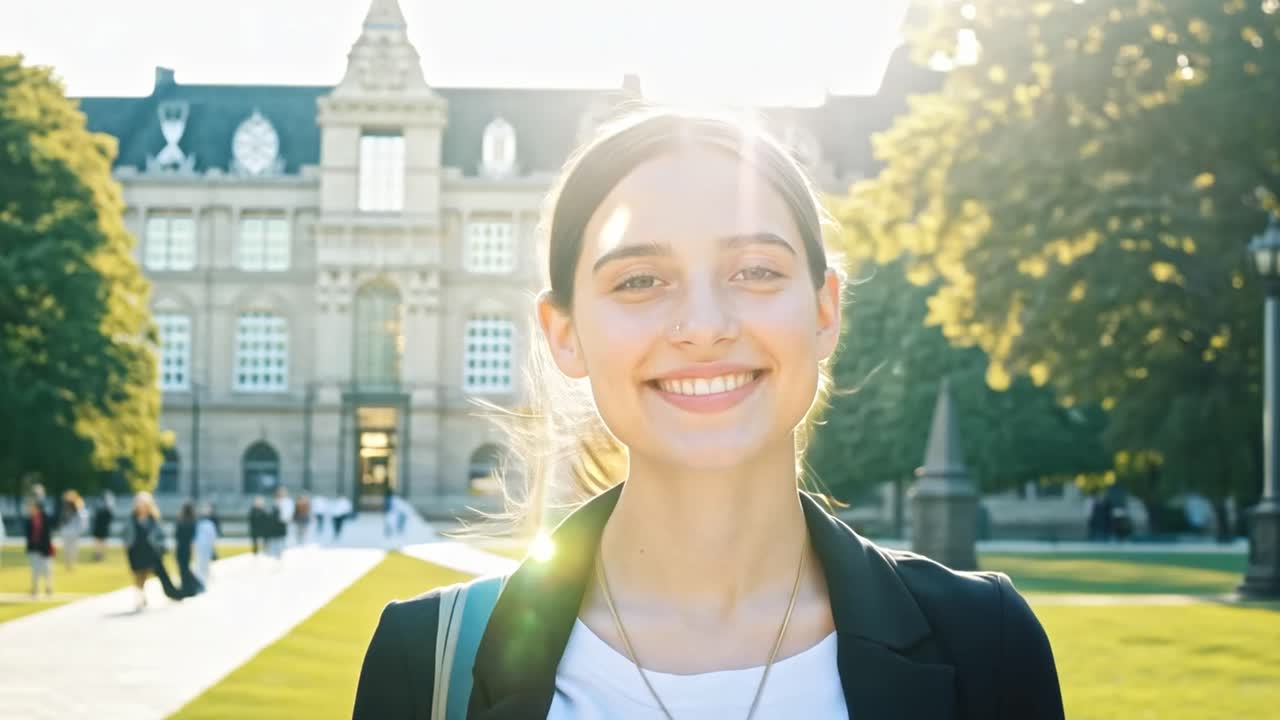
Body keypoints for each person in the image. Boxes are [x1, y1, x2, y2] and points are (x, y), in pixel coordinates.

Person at [354, 109, 1064, 719]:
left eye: (755, 271)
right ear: (563, 334)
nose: (703, 325)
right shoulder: (427, 660)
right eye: (639, 280)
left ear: (824, 312)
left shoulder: (987, 643)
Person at [122, 491, 181, 610]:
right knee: (139, 576)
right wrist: (128, 543)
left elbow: (161, 535)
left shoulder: (153, 519)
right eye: (139, 503)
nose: (141, 505)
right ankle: (140, 598)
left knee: (163, 573)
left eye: (144, 503)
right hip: (136, 551)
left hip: (152, 552)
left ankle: (173, 593)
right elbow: (125, 534)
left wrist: (160, 545)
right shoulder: (131, 519)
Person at [23, 496, 54, 597]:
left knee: (47, 569)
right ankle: (35, 588)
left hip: (44, 548)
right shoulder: (29, 519)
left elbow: (48, 535)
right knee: (35, 569)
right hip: (33, 548)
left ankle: (48, 587)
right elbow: (28, 535)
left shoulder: (45, 517)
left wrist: (47, 547)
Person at [174, 501, 204, 597]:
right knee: (186, 568)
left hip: (180, 548)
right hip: (187, 548)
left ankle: (187, 587)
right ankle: (190, 587)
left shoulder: (180, 521)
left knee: (183, 569)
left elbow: (176, 535)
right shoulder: (193, 522)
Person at [58, 489, 88, 571]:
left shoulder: (78, 506)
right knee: (66, 549)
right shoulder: (64, 507)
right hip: (66, 531)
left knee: (74, 549)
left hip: (74, 532)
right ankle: (67, 564)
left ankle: (72, 564)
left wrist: (80, 530)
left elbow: (82, 519)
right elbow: (62, 520)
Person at [193, 502, 219, 585]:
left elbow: (215, 532)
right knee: (200, 559)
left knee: (206, 560)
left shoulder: (213, 519)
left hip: (208, 542)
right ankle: (199, 576)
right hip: (201, 542)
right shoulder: (199, 519)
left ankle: (206, 575)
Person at [90, 491, 115, 561]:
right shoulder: (107, 507)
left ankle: (99, 554)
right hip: (100, 527)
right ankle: (98, 554)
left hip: (101, 527)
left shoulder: (103, 506)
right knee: (99, 542)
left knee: (101, 542)